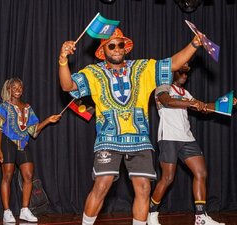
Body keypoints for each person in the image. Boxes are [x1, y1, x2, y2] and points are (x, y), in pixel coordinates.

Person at [58, 28, 203, 225]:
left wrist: (194, 44)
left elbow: (172, 64)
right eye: (112, 45)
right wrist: (63, 59)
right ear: (103, 50)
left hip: (139, 138)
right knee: (102, 185)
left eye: (120, 45)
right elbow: (68, 86)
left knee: (143, 188)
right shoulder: (93, 72)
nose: (117, 49)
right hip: (108, 138)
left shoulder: (142, 68)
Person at [147, 63, 236, 225]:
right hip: (169, 137)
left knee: (201, 173)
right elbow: (166, 101)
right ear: (171, 73)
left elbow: (204, 108)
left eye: (186, 74)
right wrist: (192, 103)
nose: (184, 75)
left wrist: (226, 103)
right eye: (180, 72)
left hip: (187, 138)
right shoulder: (163, 88)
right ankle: (151, 214)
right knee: (167, 177)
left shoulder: (185, 92)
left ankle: (200, 217)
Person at [0, 78, 61, 223]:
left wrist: (48, 120)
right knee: (7, 175)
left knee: (29, 175)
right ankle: (7, 212)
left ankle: (24, 210)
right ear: (9, 89)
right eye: (14, 87)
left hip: (23, 143)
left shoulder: (28, 108)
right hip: (7, 141)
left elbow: (33, 130)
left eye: (20, 87)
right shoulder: (3, 107)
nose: (17, 90)